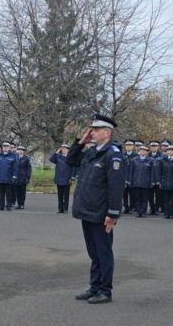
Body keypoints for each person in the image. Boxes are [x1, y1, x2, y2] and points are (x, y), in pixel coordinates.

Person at [66, 114, 125, 305]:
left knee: (103, 252)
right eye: (91, 129)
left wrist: (112, 213)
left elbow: (116, 187)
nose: (92, 132)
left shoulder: (112, 154)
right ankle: (94, 287)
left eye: (96, 130)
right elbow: (70, 160)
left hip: (101, 213)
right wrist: (80, 142)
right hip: (87, 210)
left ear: (107, 133)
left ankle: (105, 291)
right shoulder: (92, 152)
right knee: (94, 253)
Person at [128, 144, 155, 218]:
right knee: (137, 198)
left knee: (144, 198)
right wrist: (130, 180)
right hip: (136, 181)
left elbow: (152, 172)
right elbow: (131, 171)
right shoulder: (135, 159)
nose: (142, 151)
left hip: (145, 182)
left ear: (147, 152)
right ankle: (138, 212)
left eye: (144, 150)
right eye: (141, 150)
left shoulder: (150, 160)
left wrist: (152, 182)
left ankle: (143, 212)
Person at [158, 145, 173, 219]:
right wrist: (159, 181)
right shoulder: (163, 160)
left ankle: (171, 213)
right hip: (165, 182)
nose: (170, 151)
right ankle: (166, 213)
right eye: (169, 150)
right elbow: (160, 171)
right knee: (165, 199)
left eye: (172, 150)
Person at [50, 143, 74, 213]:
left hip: (67, 178)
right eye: (62, 148)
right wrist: (57, 152)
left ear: (68, 150)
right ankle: (60, 208)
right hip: (59, 178)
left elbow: (73, 168)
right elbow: (51, 159)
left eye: (65, 148)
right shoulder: (58, 156)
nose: (63, 150)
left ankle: (65, 208)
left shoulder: (70, 157)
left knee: (66, 195)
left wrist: (71, 178)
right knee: (60, 195)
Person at [0, 141, 18, 211]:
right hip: (0, 177)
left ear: (9, 148)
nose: (5, 148)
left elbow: (15, 167)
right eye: (4, 146)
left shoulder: (13, 156)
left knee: (9, 193)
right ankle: (0, 206)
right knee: (0, 193)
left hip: (9, 177)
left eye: (6, 147)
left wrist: (14, 176)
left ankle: (8, 206)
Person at [122, 140, 136, 214]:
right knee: (124, 194)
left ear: (133, 147)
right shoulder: (122, 155)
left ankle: (131, 207)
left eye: (130, 145)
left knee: (132, 194)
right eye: (127, 145)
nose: (128, 146)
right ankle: (125, 207)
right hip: (124, 177)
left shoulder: (136, 155)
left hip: (133, 177)